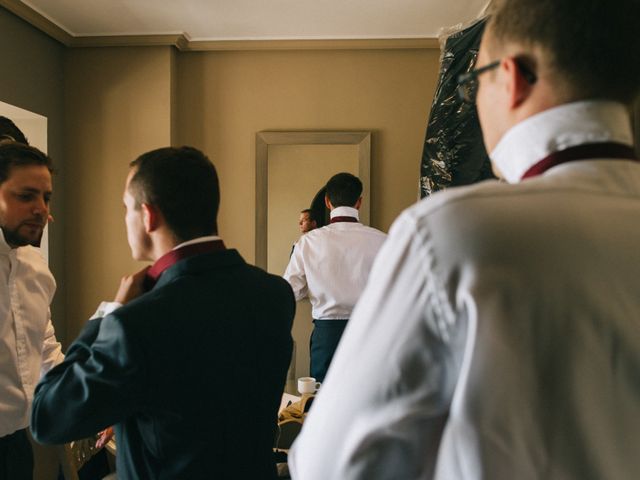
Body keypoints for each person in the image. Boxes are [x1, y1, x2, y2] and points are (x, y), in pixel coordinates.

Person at [289, 0, 640, 478]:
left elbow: (332, 463)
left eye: (475, 84)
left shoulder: (449, 235)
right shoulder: (393, 237)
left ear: (510, 78)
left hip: (329, 333)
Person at [31, 146, 296, 479]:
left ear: (148, 215)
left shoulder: (133, 323)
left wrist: (108, 313)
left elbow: (47, 417)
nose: (125, 218)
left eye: (126, 208)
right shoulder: (274, 295)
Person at [0, 140, 63, 480]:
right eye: (26, 196)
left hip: (17, 446)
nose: (41, 209)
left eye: (46, 197)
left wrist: (95, 403)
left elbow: (46, 349)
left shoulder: (37, 270)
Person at [284, 172, 386, 382]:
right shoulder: (383, 241)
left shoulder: (308, 243)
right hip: (369, 332)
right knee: (366, 399)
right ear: (359, 202)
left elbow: (289, 291)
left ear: (327, 202)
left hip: (327, 336)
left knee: (321, 402)